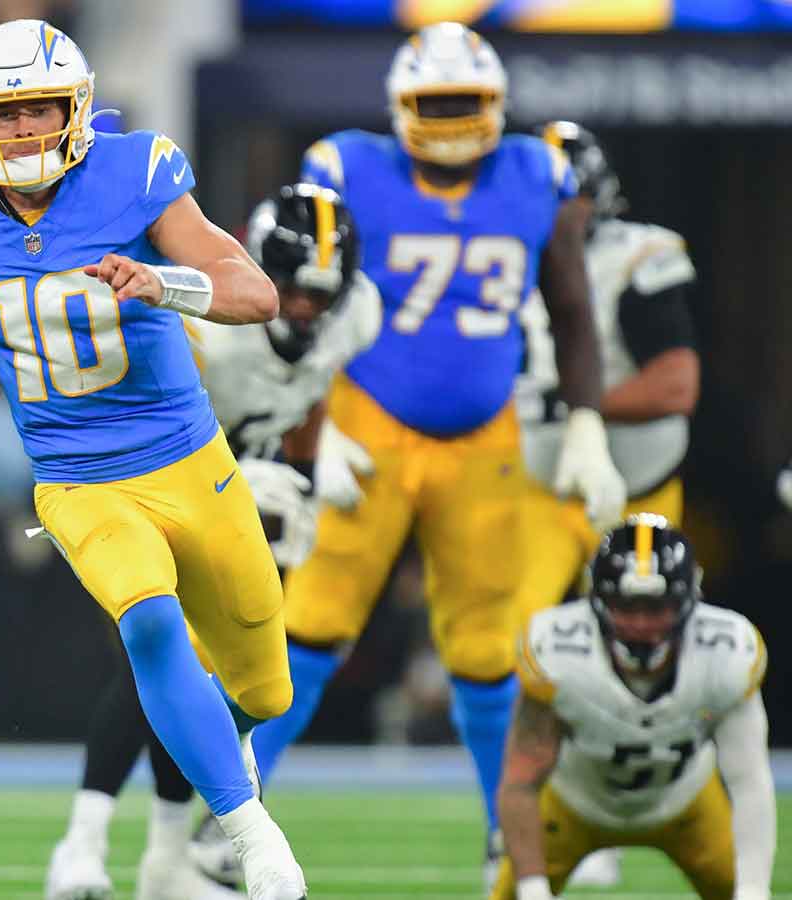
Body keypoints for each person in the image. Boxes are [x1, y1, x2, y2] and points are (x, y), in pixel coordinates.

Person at [0, 18, 306, 900]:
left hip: (189, 459)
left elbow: (257, 292)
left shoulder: (134, 176)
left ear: (76, 108)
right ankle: (250, 832)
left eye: (39, 107)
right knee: (149, 621)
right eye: (3, 115)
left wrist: (167, 283)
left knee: (266, 691)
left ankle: (190, 799)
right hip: (77, 476)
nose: (23, 130)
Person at [244, 21, 627, 887]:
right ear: (399, 108)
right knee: (306, 627)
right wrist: (314, 420)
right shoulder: (348, 168)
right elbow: (286, 290)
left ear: (497, 108)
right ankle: (233, 825)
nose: (452, 121)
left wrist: (587, 424)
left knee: (491, 649)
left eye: (467, 104)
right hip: (367, 422)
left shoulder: (536, 175)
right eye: (435, 104)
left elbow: (570, 308)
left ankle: (510, 829)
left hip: (484, 433)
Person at [44, 183, 380, 900]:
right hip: (155, 486)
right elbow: (145, 414)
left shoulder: (359, 316)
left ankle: (166, 860)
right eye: (292, 291)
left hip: (248, 500)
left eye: (323, 297)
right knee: (152, 649)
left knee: (233, 684)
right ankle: (83, 841)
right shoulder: (211, 328)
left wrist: (313, 457)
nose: (306, 310)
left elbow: (311, 386)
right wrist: (240, 471)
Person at [512, 119, 701, 887]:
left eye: (568, 200)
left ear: (597, 200)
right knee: (517, 652)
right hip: (532, 487)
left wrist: (575, 402)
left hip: (635, 493)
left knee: (640, 651)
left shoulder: (637, 258)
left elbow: (676, 385)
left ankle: (631, 813)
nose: (554, 216)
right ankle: (519, 820)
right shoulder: (490, 256)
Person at [493, 514, 775, 900]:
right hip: (575, 806)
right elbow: (520, 782)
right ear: (597, 600)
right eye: (626, 606)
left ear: (688, 600)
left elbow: (750, 783)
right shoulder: (557, 652)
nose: (642, 623)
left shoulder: (726, 653)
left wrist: (753, 891)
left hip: (686, 803)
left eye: (656, 607)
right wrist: (533, 890)